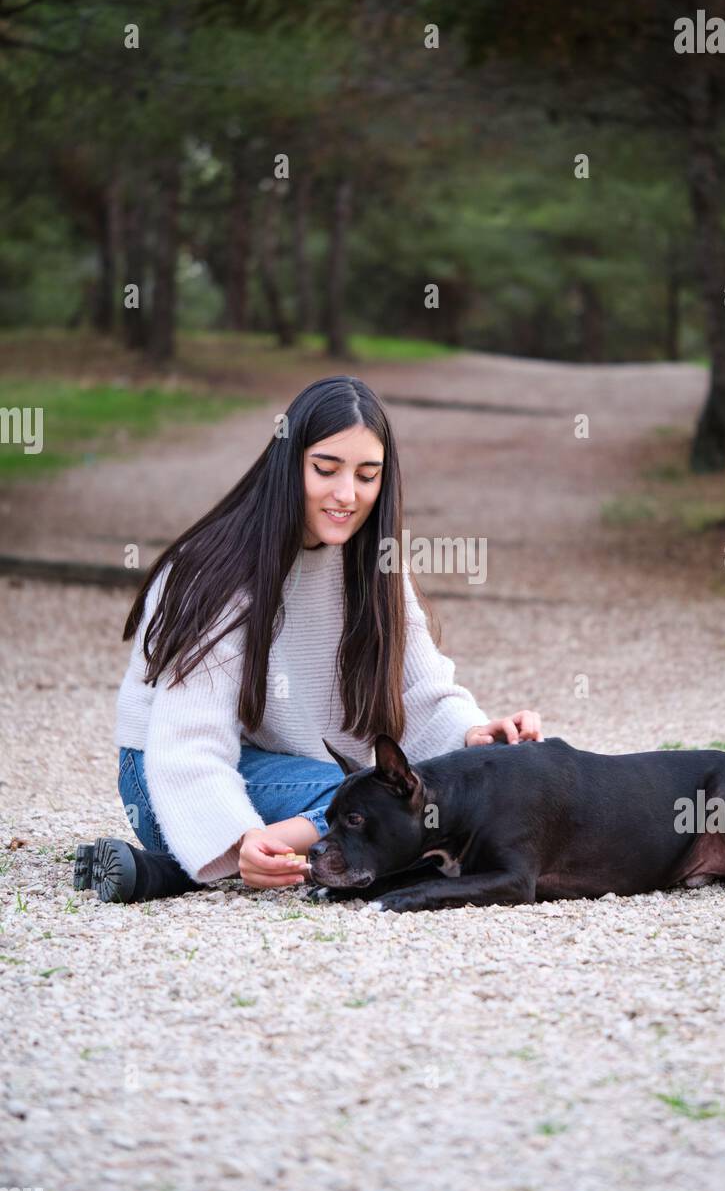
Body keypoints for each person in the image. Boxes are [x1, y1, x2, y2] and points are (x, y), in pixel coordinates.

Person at [74, 375, 543, 903]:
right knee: (360, 802)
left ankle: (169, 872)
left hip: (298, 780)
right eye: (325, 469)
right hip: (168, 777)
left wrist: (474, 736)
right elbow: (188, 742)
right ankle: (218, 854)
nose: (348, 495)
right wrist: (239, 834)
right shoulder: (217, 571)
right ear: (289, 460)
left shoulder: (376, 566)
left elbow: (420, 691)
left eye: (368, 476)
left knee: (400, 797)